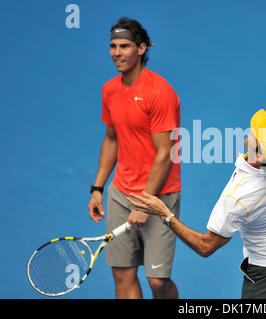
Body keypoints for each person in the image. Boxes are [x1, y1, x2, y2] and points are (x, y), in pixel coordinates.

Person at [127, 50, 266, 298]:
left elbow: (205, 246)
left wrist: (165, 214)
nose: (253, 130)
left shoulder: (238, 198)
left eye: (258, 133)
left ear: (258, 157)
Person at [88, 17, 181, 299]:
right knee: (123, 275)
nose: (117, 53)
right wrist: (97, 188)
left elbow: (165, 155)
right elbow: (111, 139)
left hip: (159, 195)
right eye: (113, 46)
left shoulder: (160, 92)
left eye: (125, 46)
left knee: (157, 280)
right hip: (121, 193)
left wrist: (144, 203)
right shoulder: (110, 90)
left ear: (141, 49)